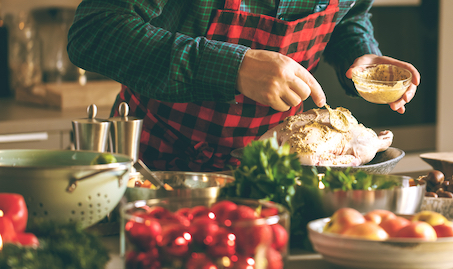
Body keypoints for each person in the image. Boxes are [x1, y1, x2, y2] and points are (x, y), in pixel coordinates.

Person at [67, 0, 420, 172]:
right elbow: (93, 32)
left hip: (272, 177)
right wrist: (232, 67)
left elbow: (350, 17)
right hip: (152, 169)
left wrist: (360, 54)